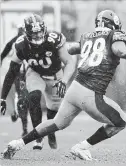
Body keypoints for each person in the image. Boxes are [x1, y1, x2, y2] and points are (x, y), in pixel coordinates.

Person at [2, 10, 126, 160]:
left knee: (57, 123)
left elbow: (72, 48)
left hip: (74, 89)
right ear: (114, 25)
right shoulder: (115, 35)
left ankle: (17, 143)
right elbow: (121, 51)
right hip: (91, 93)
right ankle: (82, 147)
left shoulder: (87, 36)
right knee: (121, 122)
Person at [0, 14, 76, 150]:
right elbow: (11, 72)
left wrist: (64, 81)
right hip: (36, 74)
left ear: (45, 29)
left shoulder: (54, 40)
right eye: (34, 33)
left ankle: (50, 132)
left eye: (40, 32)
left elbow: (69, 62)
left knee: (53, 110)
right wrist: (2, 98)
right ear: (27, 33)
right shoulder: (21, 45)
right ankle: (38, 138)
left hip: (55, 75)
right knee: (34, 97)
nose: (38, 36)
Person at [0, 25, 29, 133]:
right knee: (22, 97)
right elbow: (3, 54)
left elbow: (3, 54)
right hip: (20, 73)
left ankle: (16, 113)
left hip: (22, 73)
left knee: (22, 97)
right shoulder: (21, 41)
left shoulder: (13, 41)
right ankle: (24, 125)